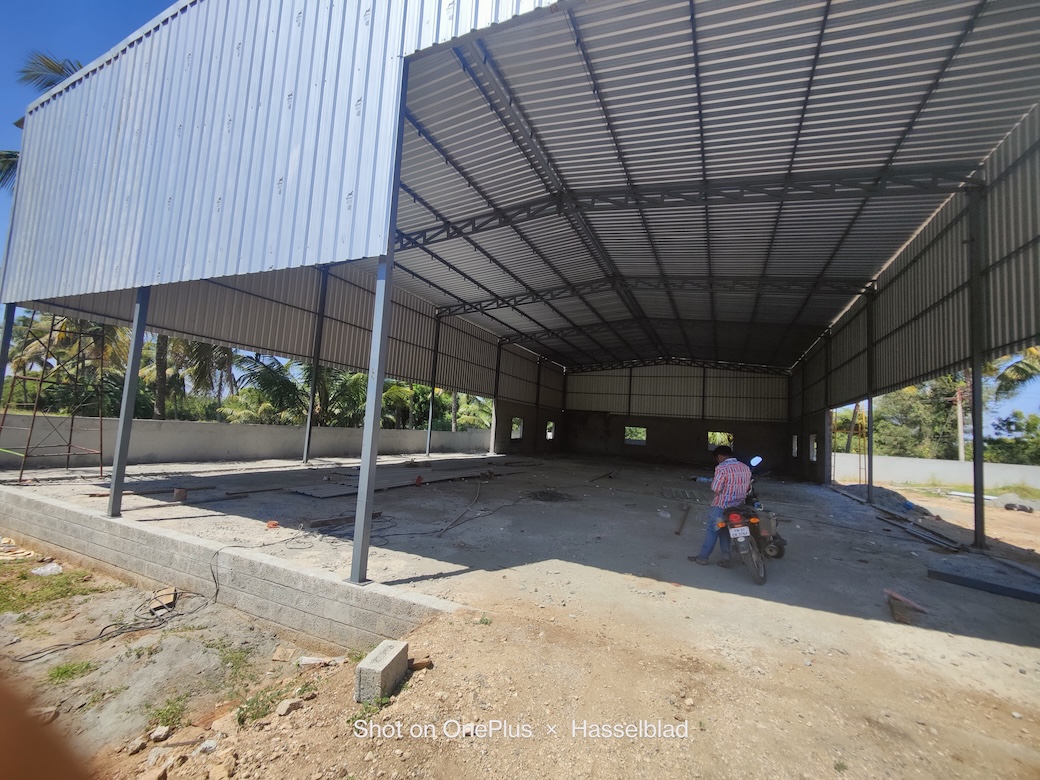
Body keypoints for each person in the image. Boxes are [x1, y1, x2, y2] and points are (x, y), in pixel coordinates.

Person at [689, 445, 752, 567]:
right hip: (738, 507)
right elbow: (748, 487)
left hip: (722, 506)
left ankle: (702, 558)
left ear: (719, 457)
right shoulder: (745, 467)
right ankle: (726, 559)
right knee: (725, 530)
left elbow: (716, 488)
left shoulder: (721, 468)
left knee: (712, 531)